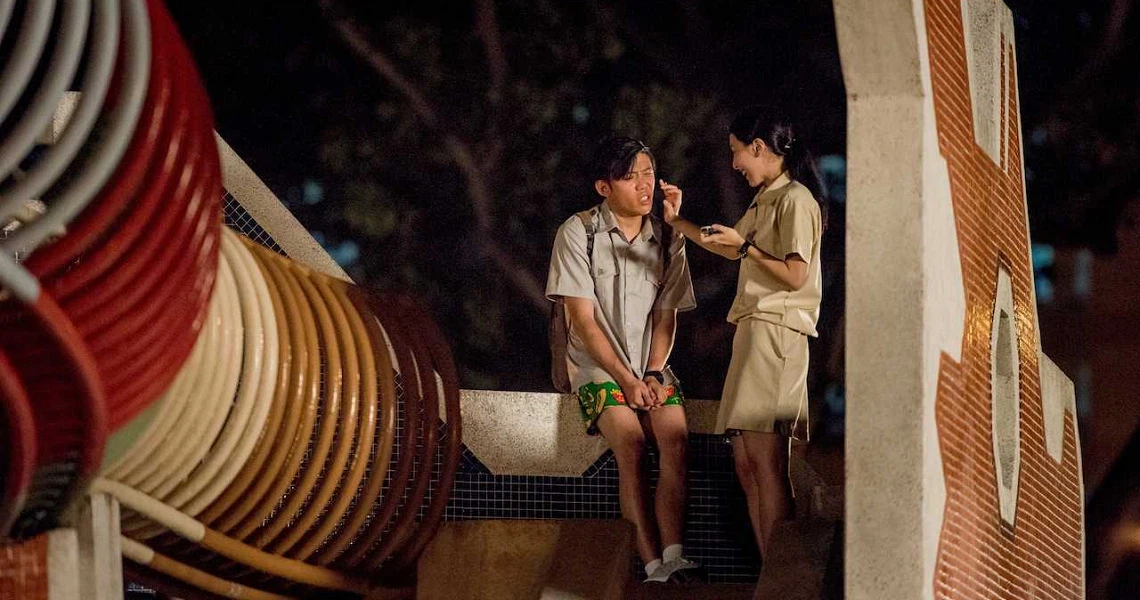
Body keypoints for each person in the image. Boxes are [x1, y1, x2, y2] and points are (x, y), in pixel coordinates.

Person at [660, 106, 827, 563]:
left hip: (777, 333)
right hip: (753, 331)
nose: (735, 164)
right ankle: (769, 569)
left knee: (766, 462)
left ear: (759, 147)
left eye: (737, 153)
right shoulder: (768, 198)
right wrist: (676, 220)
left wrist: (747, 247)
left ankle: (784, 574)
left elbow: (796, 276)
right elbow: (727, 245)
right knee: (746, 463)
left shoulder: (796, 199)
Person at [546, 136, 700, 583]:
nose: (643, 184)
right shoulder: (578, 232)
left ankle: (674, 557)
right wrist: (626, 381)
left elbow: (667, 317)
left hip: (650, 363)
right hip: (596, 366)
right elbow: (584, 321)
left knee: (675, 441)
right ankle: (652, 566)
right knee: (631, 446)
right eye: (629, 176)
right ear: (604, 186)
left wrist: (651, 373)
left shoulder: (670, 235)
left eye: (649, 172)